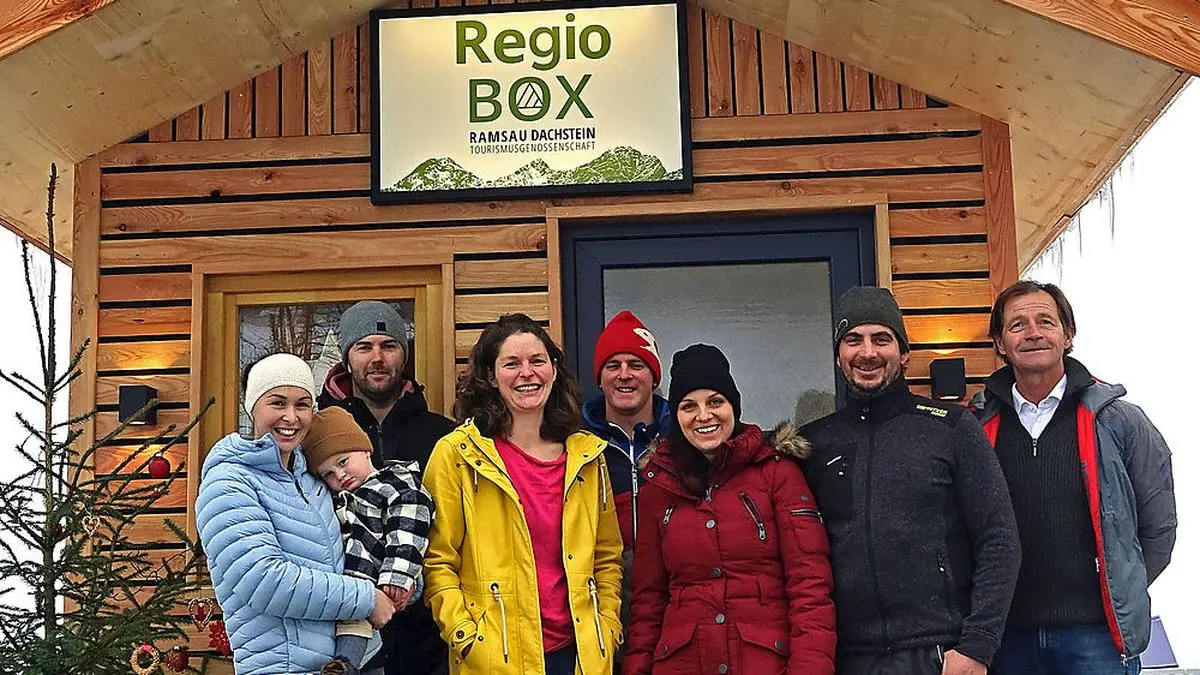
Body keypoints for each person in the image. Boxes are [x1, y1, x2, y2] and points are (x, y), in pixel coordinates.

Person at [799, 286, 1020, 675]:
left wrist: (977, 647)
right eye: (853, 340)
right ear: (839, 355)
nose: (867, 352)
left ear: (903, 353)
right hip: (846, 658)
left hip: (938, 655)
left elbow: (999, 539)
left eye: (881, 339)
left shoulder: (952, 428)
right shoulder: (814, 443)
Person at [972, 280, 1176, 675]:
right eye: (1017, 325)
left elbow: (1158, 526)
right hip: (1004, 640)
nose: (1033, 333)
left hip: (1096, 639)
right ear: (999, 343)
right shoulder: (976, 426)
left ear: (1068, 335)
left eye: (1045, 321)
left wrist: (1118, 591)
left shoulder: (1119, 421)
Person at [422, 313, 623, 675]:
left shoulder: (588, 456)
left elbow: (607, 557)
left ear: (554, 370)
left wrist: (606, 629)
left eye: (537, 361)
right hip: (495, 660)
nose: (526, 373)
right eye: (511, 363)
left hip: (580, 656)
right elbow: (438, 561)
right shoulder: (456, 455)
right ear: (490, 376)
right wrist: (467, 637)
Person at [623, 343, 836, 675]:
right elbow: (648, 603)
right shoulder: (659, 488)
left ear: (733, 406)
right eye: (688, 406)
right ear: (676, 416)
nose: (703, 416)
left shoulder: (777, 472)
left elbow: (810, 587)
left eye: (715, 402)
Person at [196, 353, 395, 675]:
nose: (291, 417)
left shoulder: (314, 479)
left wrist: (398, 578)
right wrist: (366, 598)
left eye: (302, 405)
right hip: (284, 666)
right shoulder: (229, 482)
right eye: (277, 403)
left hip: (352, 663)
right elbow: (262, 580)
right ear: (253, 407)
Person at [318, 300, 456, 675]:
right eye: (364, 347)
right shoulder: (318, 437)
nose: (377, 358)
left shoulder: (442, 436)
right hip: (344, 633)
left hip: (428, 640)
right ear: (347, 360)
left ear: (403, 357)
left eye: (388, 346)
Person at [305, 406, 437, 675]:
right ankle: (345, 665)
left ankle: (346, 664)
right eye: (328, 474)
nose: (339, 475)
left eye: (343, 462)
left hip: (384, 576)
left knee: (356, 622)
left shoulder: (395, 484)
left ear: (366, 450)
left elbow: (408, 528)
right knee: (353, 624)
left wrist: (398, 575)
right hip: (348, 584)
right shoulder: (337, 500)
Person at [581, 310, 670, 660]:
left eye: (636, 364)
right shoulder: (575, 446)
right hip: (598, 625)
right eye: (612, 365)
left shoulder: (684, 440)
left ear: (654, 377)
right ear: (599, 378)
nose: (624, 375)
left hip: (674, 622)